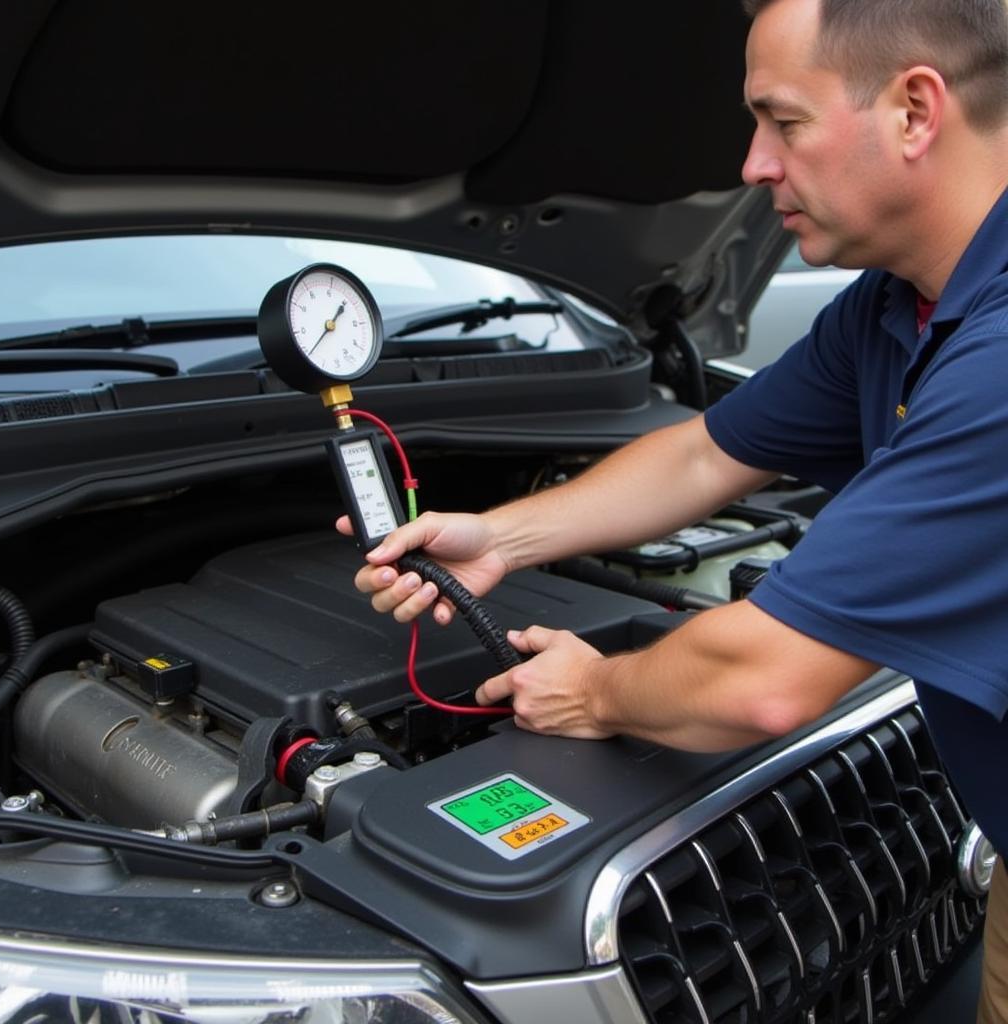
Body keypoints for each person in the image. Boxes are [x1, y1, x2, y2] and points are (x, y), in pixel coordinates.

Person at [339, 0, 1008, 1018]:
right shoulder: (895, 302)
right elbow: (704, 453)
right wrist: (498, 538)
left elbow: (767, 683)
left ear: (915, 110)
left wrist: (595, 692)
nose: (750, 165)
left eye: (780, 120)